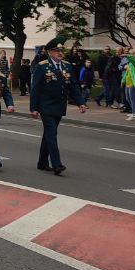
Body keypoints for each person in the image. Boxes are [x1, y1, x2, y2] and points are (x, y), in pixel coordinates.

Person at [29, 37, 86, 175]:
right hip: (46, 106)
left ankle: (42, 162)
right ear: (49, 52)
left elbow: (73, 86)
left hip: (60, 106)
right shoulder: (42, 66)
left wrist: (81, 102)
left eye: (62, 50)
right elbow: (35, 88)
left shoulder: (67, 66)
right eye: (57, 50)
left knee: (48, 134)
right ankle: (57, 164)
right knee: (52, 134)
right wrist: (34, 108)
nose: (60, 53)